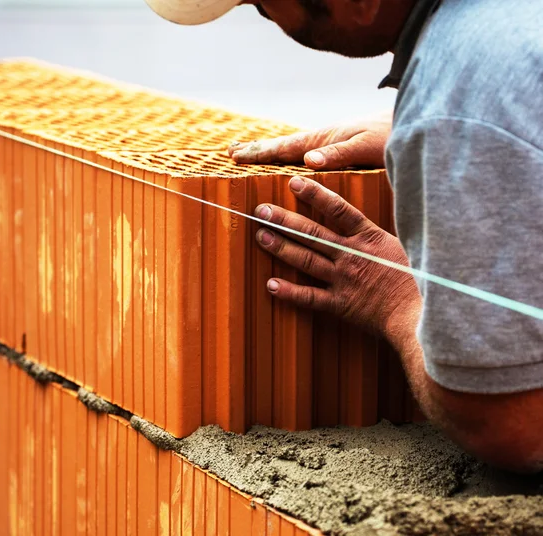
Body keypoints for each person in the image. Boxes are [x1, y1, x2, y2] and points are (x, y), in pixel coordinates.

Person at [145, 0, 543, 472]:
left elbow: (515, 426)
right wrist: (434, 119)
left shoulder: (469, 90)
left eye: (263, 4)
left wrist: (396, 298)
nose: (269, 18)